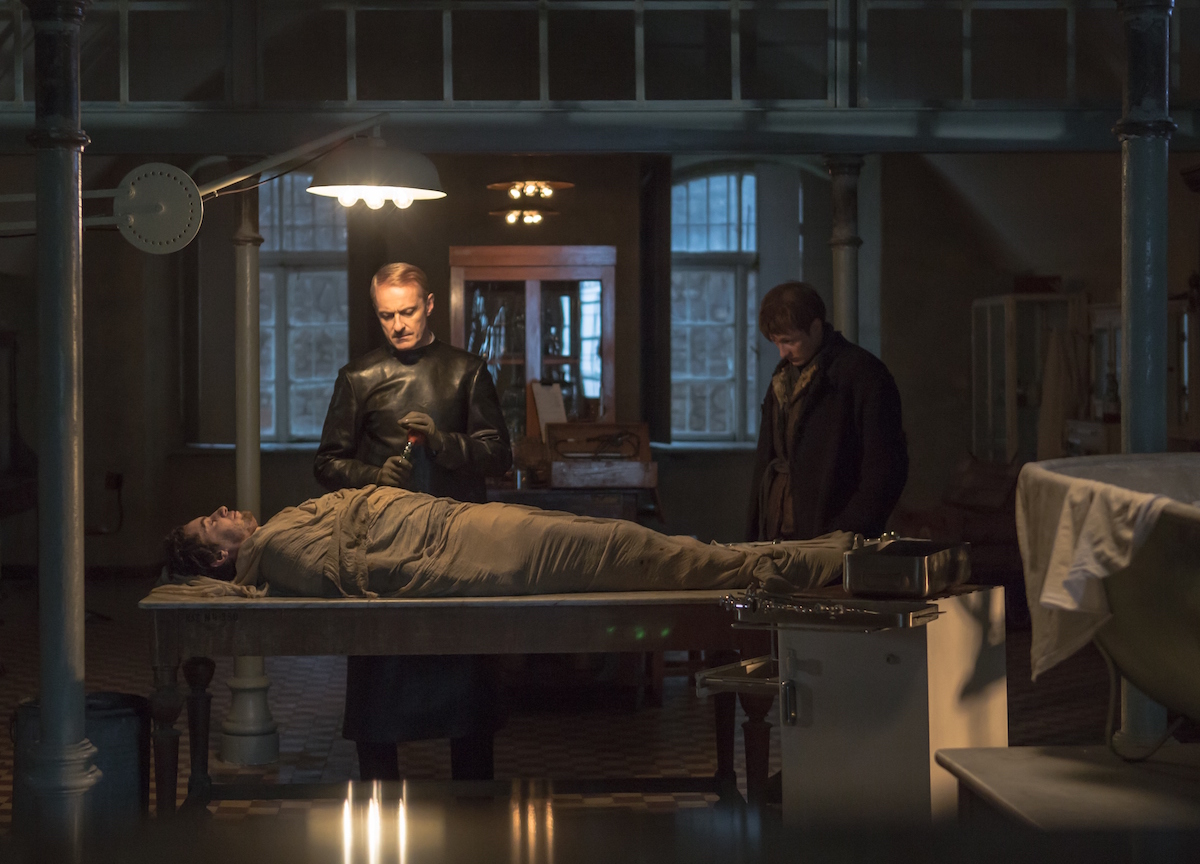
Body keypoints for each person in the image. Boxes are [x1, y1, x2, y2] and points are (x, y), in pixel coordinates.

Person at [312, 262, 512, 784]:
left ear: (428, 305)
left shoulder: (467, 371)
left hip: (460, 550)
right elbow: (327, 463)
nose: (398, 325)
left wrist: (443, 443)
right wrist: (374, 474)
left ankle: (477, 818)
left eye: (406, 312)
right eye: (386, 316)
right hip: (384, 555)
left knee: (469, 706)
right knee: (379, 703)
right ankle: (380, 818)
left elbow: (499, 455)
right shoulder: (358, 378)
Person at [160, 487, 851, 599]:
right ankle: (826, 559)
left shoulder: (279, 533)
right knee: (654, 555)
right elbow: (363, 567)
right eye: (210, 523)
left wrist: (362, 505)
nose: (221, 511)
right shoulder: (277, 551)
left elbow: (355, 523)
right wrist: (362, 507)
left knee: (643, 546)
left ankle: (821, 552)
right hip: (477, 550)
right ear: (219, 558)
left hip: (467, 528)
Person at [747, 281, 908, 543]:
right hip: (778, 528)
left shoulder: (862, 375)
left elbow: (885, 468)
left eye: (789, 341)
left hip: (831, 533)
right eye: (776, 342)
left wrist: (847, 530)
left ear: (815, 327)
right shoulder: (783, 379)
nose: (782, 352)